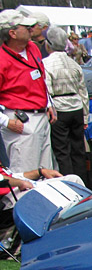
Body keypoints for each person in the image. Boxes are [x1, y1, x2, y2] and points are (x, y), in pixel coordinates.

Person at [0, 9, 56, 173]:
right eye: (26, 27)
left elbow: (41, 79)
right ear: (12, 33)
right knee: (26, 175)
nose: (32, 29)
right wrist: (6, 122)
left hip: (41, 116)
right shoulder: (2, 59)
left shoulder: (32, 48)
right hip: (20, 119)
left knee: (47, 172)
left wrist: (49, 103)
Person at [42, 26, 88, 180]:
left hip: (59, 108)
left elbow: (47, 90)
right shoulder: (74, 64)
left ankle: (69, 183)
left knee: (62, 151)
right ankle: (82, 181)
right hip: (76, 107)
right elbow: (83, 92)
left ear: (49, 44)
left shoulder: (46, 64)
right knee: (78, 149)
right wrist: (86, 116)